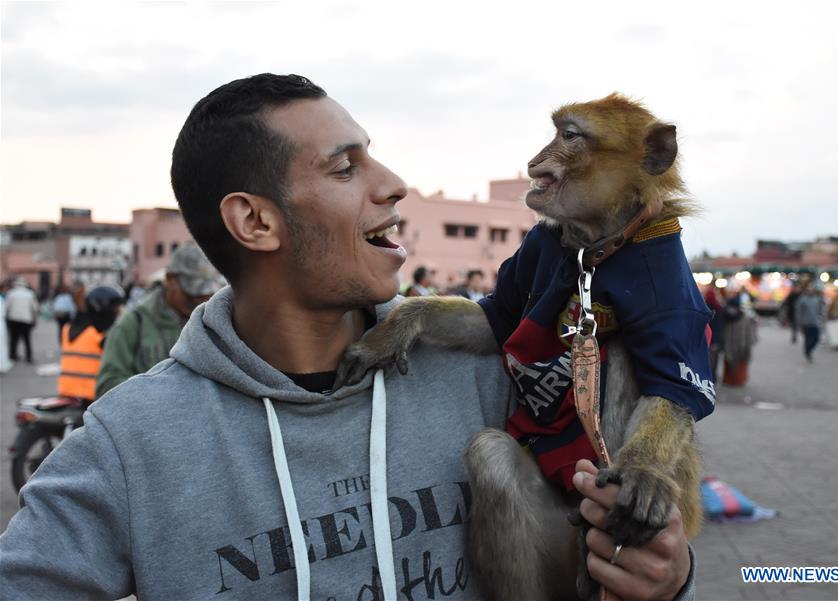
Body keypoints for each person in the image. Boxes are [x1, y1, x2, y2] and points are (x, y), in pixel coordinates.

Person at [0, 74, 694, 601]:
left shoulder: (489, 380)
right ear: (255, 221)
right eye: (345, 167)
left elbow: (633, 484)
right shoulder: (130, 444)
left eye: (376, 159)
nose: (394, 185)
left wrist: (665, 572)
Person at [95, 243, 224, 398]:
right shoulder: (134, 323)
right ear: (169, 279)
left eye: (205, 293)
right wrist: (160, 396)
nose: (199, 300)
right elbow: (107, 386)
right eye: (191, 293)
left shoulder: (213, 321)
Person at [57, 286, 125, 402]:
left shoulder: (67, 329)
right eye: (115, 312)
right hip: (92, 397)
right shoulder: (100, 335)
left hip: (66, 393)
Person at [722, 288, 757, 385]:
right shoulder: (744, 317)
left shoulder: (726, 315)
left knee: (729, 360)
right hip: (741, 346)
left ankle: (729, 380)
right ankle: (738, 380)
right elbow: (748, 335)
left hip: (729, 345)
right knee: (741, 362)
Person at [4, 277, 39, 364]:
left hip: (14, 319)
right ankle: (29, 357)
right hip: (26, 319)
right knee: (27, 339)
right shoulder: (29, 294)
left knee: (13, 339)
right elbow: (35, 308)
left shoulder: (11, 293)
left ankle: (13, 356)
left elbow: (6, 307)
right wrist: (34, 319)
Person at [795, 285, 825, 363]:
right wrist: (799, 322)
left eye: (812, 290)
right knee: (808, 339)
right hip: (806, 323)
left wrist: (821, 317)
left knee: (816, 338)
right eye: (809, 290)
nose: (810, 291)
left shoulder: (817, 299)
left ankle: (809, 350)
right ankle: (807, 352)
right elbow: (798, 311)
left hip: (815, 323)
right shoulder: (802, 300)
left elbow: (821, 309)